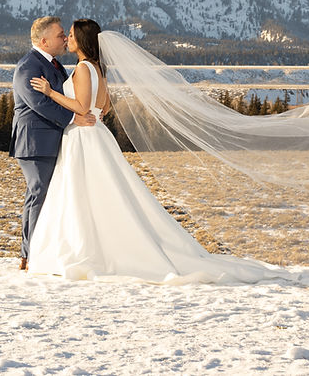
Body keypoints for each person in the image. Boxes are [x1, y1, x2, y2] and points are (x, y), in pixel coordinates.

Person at [26, 19, 290, 284]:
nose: (67, 39)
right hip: (96, 135)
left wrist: (51, 93)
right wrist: (90, 112)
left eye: (70, 35)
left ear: (82, 40)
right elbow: (104, 108)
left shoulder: (83, 69)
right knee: (101, 192)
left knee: (82, 193)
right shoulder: (98, 69)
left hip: (83, 136)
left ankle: (83, 248)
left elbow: (82, 106)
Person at [10, 16, 95, 272]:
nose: (65, 39)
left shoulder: (55, 65)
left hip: (52, 139)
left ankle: (42, 251)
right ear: (44, 40)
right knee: (39, 194)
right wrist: (74, 118)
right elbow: (40, 103)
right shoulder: (28, 66)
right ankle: (30, 253)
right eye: (60, 35)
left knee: (47, 195)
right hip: (35, 142)